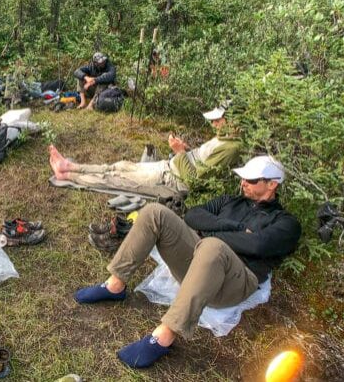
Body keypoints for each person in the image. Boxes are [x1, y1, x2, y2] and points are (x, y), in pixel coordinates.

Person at [74, 155, 301, 369]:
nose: (243, 183)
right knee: (155, 212)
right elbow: (193, 215)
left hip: (234, 282)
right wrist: (237, 228)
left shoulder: (286, 223)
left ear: (272, 184)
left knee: (213, 247)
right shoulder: (230, 201)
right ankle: (115, 285)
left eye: (251, 180)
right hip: (198, 260)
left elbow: (257, 246)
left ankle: (164, 337)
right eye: (242, 178)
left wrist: (213, 234)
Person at [49, 106, 241, 197]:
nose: (214, 123)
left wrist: (180, 153)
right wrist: (185, 149)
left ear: (232, 122)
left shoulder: (231, 149)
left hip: (173, 180)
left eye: (218, 120)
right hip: (168, 167)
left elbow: (195, 181)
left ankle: (68, 176)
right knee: (122, 165)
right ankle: (71, 166)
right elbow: (200, 160)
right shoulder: (224, 138)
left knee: (116, 179)